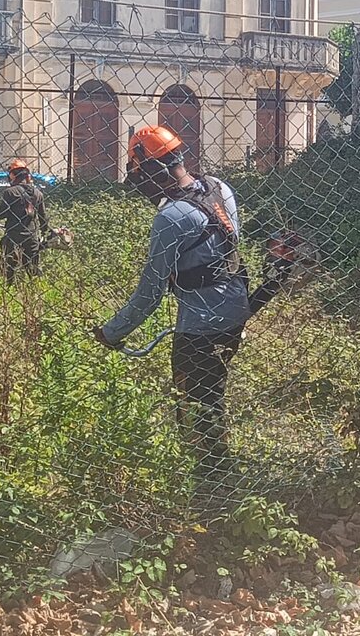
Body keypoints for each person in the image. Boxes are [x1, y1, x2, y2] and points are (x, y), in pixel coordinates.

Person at [92, 126, 280, 470]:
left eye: (140, 174)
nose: (140, 185)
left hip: (200, 328)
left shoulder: (171, 217)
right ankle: (218, 470)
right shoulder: (218, 188)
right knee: (213, 397)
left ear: (155, 169)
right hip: (235, 312)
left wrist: (112, 332)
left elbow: (149, 293)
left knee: (194, 410)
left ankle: (211, 479)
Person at [0, 159, 51, 284]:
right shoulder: (38, 194)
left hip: (13, 235)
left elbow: (2, 214)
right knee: (32, 268)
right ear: (27, 175)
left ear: (13, 175)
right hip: (31, 236)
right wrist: (46, 232)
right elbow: (43, 217)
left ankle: (9, 287)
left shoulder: (9, 192)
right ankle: (32, 290)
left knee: (10, 267)